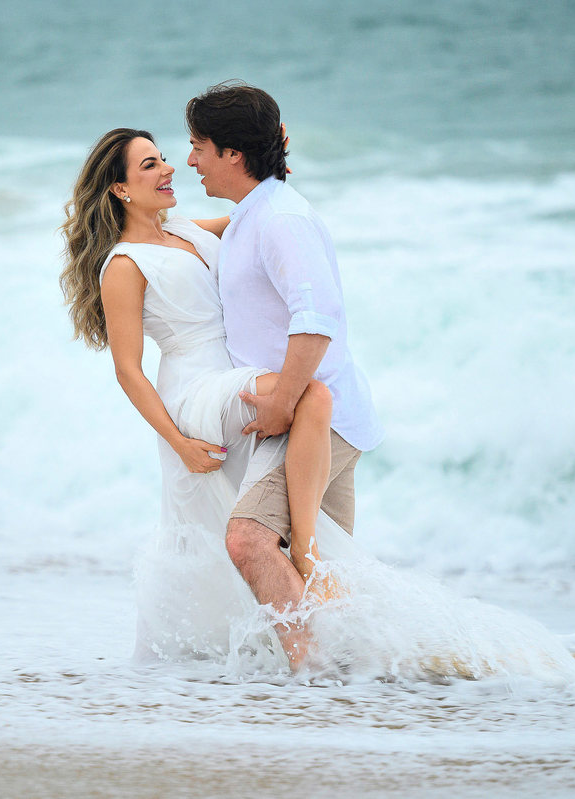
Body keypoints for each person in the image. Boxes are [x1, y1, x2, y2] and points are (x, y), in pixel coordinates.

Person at [60, 128, 339, 669]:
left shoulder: (183, 229)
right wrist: (179, 442)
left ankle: (290, 653)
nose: (168, 169)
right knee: (311, 394)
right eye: (149, 166)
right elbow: (127, 370)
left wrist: (269, 151)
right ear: (119, 189)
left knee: (238, 527)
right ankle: (308, 551)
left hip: (230, 371)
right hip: (192, 389)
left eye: (164, 158)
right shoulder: (123, 264)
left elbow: (258, 213)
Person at [184, 81, 384, 666]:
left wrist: (280, 405)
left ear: (233, 156)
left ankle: (311, 676)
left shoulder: (280, 220)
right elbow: (216, 235)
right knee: (326, 569)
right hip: (320, 413)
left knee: (249, 541)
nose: (191, 160)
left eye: (198, 146)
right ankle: (358, 675)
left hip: (314, 415)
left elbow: (316, 319)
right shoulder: (256, 213)